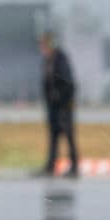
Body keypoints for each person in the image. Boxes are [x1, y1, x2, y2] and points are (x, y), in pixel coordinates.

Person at [38, 32, 79, 177]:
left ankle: (74, 167)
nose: (41, 49)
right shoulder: (48, 60)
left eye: (43, 45)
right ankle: (50, 166)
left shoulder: (60, 60)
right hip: (53, 107)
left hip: (63, 107)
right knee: (54, 137)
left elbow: (69, 84)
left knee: (69, 136)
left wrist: (60, 98)